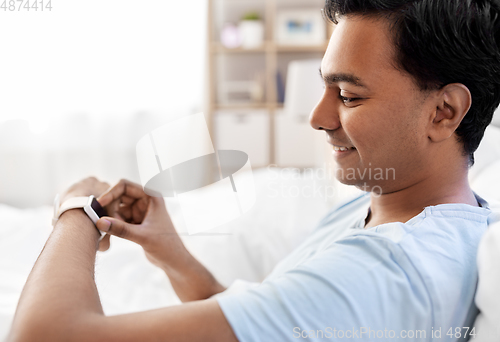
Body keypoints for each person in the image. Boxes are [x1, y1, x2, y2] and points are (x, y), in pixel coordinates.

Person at [7, 0, 500, 341]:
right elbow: (265, 322)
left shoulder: (381, 273)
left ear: (444, 112)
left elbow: (47, 336)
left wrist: (76, 210)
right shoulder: (399, 209)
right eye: (327, 89)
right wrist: (171, 251)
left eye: (349, 96)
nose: (318, 117)